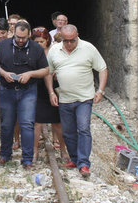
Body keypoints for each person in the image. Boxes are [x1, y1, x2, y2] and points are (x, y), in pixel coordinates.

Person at [45, 24, 108, 178]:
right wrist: (51, 92)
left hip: (84, 98)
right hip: (65, 98)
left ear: (77, 35)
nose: (69, 44)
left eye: (72, 41)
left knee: (83, 128)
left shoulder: (88, 48)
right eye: (66, 41)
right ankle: (74, 158)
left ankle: (84, 163)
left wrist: (100, 90)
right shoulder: (54, 50)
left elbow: (102, 69)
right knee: (68, 132)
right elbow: (49, 72)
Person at [0, 20, 49, 169]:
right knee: (7, 124)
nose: (20, 41)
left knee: (27, 124)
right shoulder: (3, 46)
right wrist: (4, 73)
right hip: (7, 89)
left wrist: (30, 74)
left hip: (28, 91)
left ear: (29, 35)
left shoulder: (36, 49)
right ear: (13, 34)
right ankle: (5, 155)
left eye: (23, 38)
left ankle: (27, 159)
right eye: (18, 37)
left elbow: (45, 70)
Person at [31, 27, 69, 163]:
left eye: (42, 41)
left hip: (54, 88)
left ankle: (63, 150)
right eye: (36, 41)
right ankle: (34, 152)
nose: (39, 44)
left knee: (57, 122)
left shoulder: (55, 51)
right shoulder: (32, 52)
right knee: (37, 122)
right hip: (38, 88)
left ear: (47, 40)